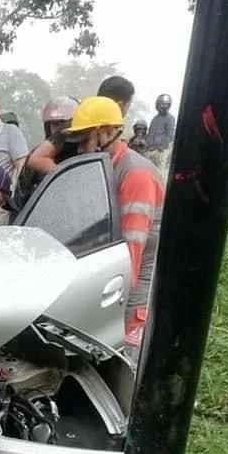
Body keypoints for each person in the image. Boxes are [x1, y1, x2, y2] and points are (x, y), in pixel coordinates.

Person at [62, 96, 165, 366]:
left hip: (136, 291)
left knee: (128, 366)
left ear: (107, 132)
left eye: (86, 140)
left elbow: (131, 254)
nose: (81, 149)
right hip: (117, 283)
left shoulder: (135, 175)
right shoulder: (107, 168)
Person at [26, 96, 81, 178]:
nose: (58, 127)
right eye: (54, 123)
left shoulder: (82, 146)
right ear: (47, 126)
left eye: (62, 122)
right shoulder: (39, 153)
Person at [147, 94, 176, 170]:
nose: (163, 106)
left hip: (160, 152)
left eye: (166, 104)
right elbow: (150, 134)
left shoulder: (170, 118)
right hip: (150, 150)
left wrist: (161, 146)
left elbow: (169, 135)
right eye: (161, 104)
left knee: (158, 173)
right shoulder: (155, 119)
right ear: (157, 105)